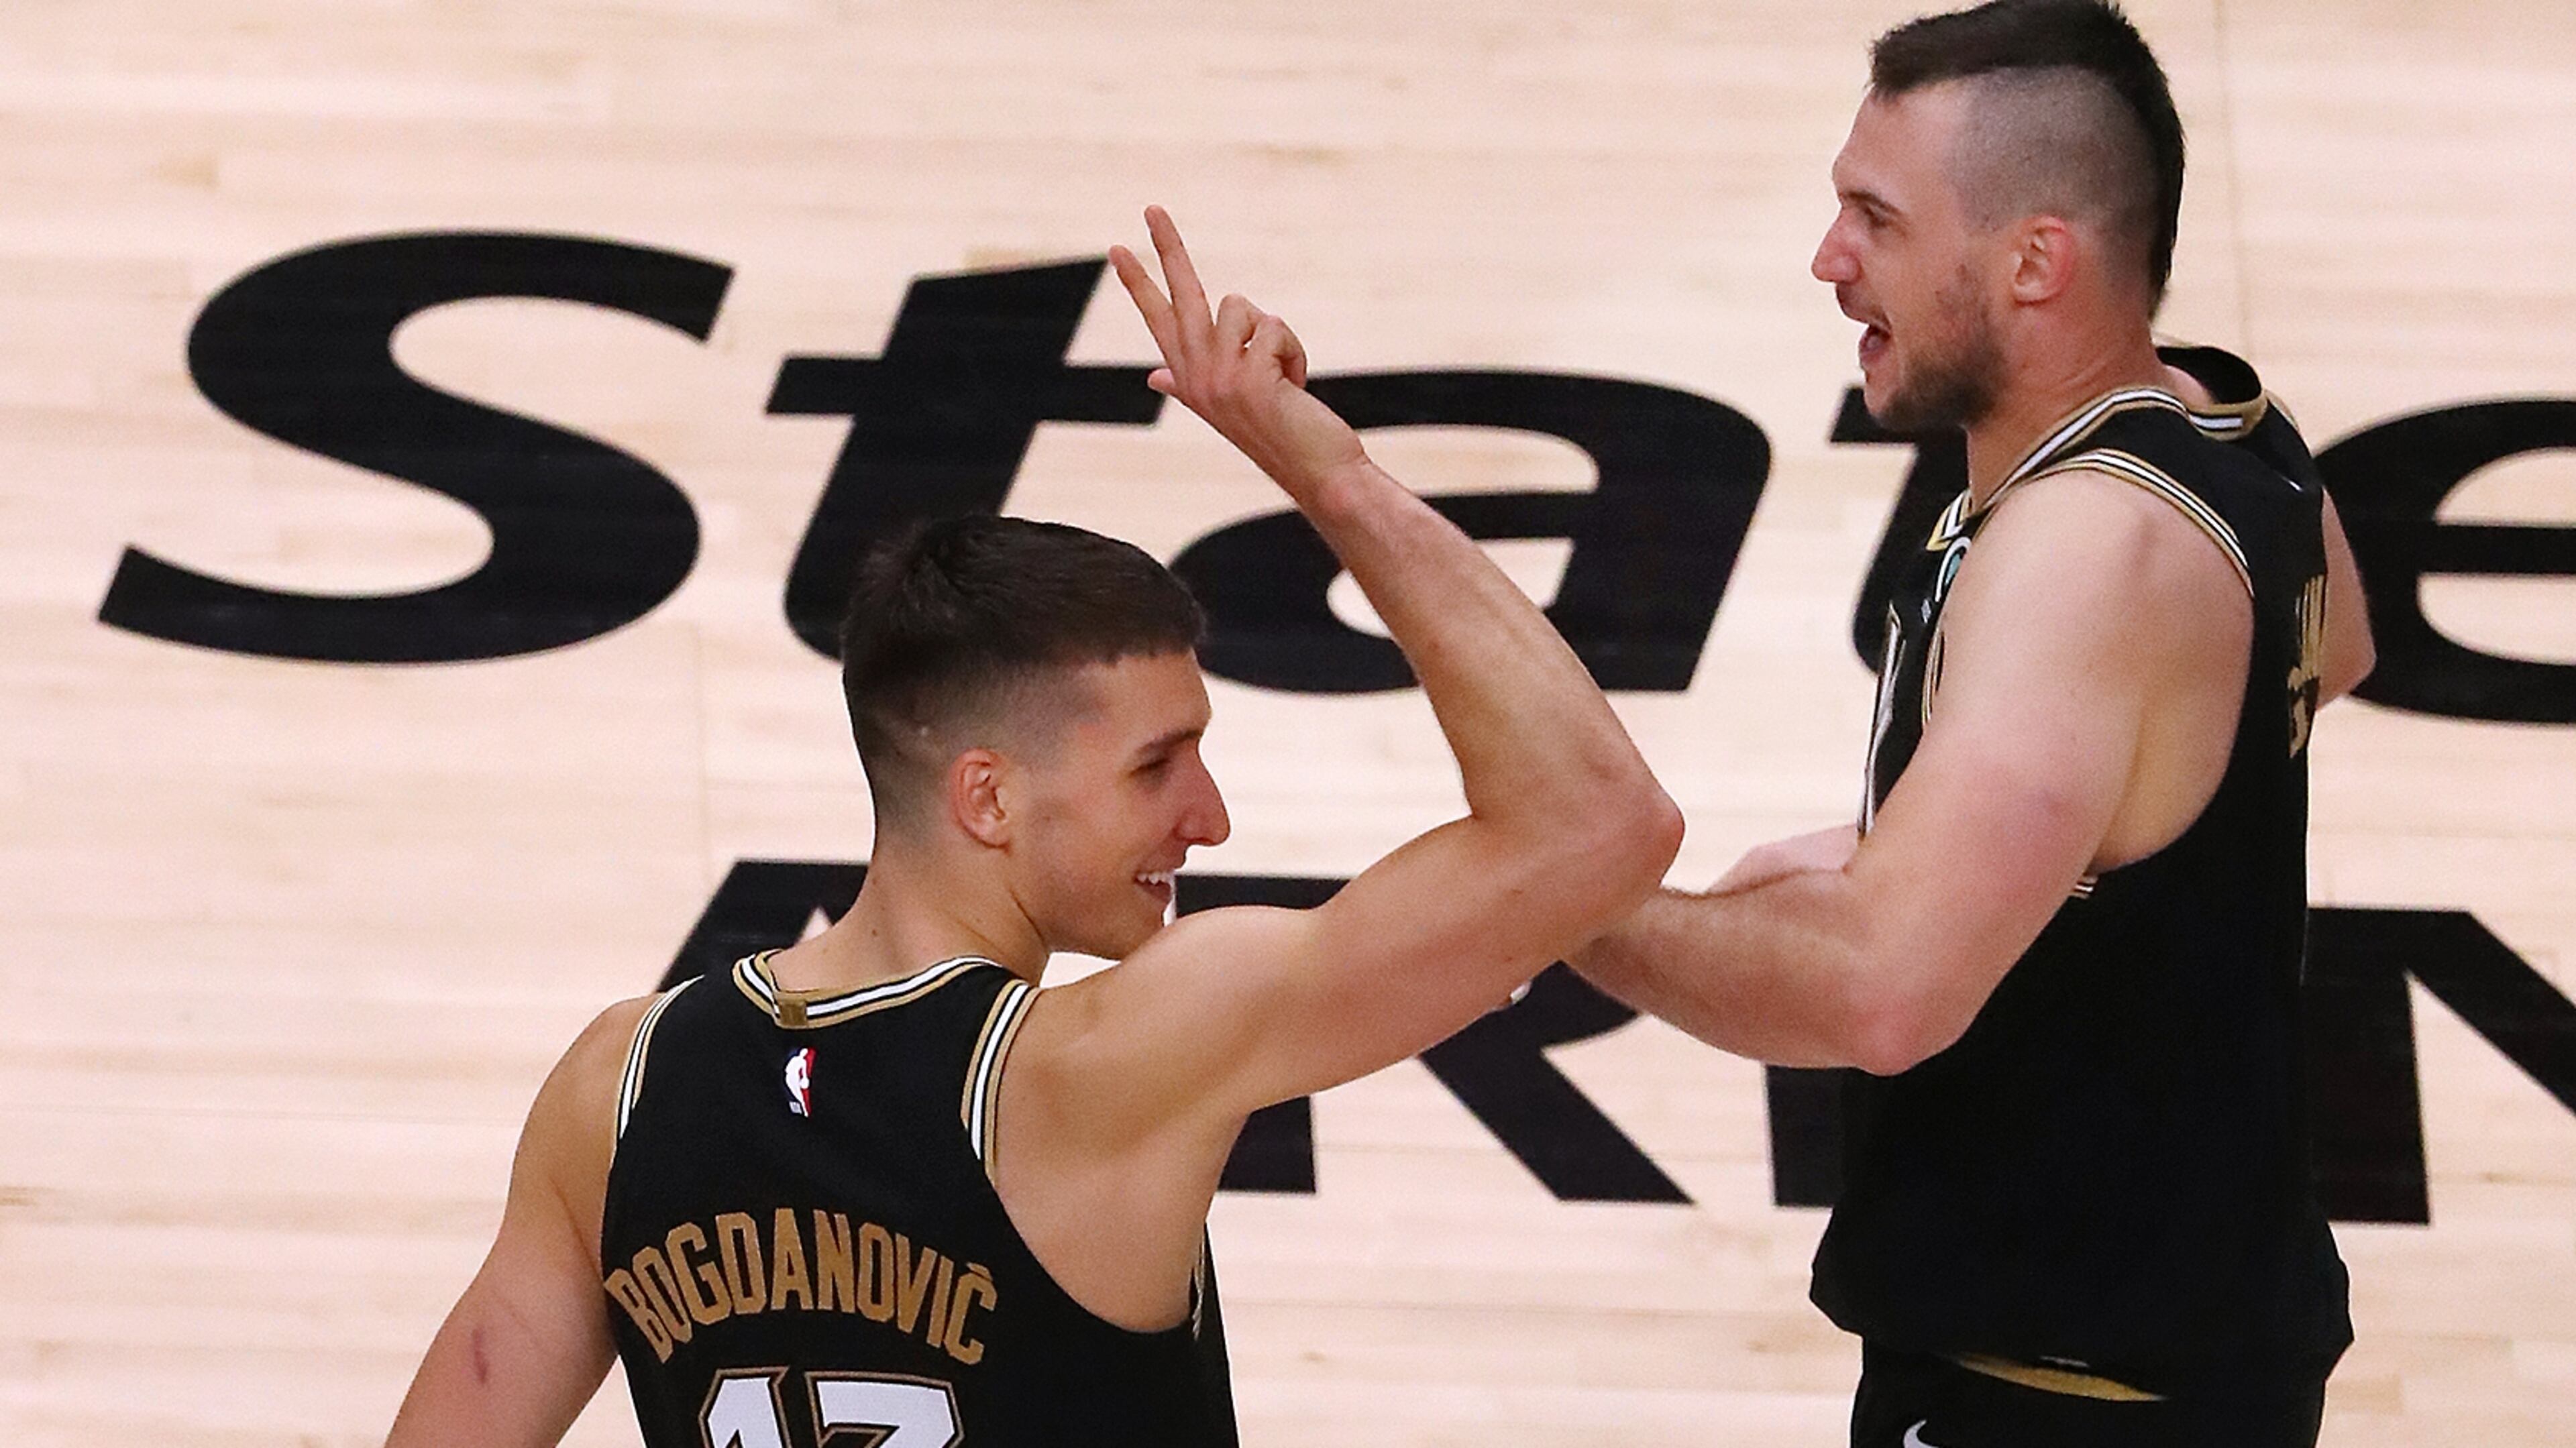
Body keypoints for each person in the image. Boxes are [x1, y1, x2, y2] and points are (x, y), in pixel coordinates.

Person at [381, 207, 1682, 1447]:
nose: (1210, 818)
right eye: (1157, 766)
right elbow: (1599, 821)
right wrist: (1328, 474)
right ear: (989, 798)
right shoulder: (1105, 1066)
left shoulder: (618, 1088)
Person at [1568, 3, 2375, 1445]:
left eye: (1876, 219)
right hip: (2205, 1336)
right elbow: (2336, 651)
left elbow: (1878, 995)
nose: (1831, 260)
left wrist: (1557, 908)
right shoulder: (2220, 422)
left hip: (2064, 1392)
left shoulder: (2084, 554)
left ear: (2035, 261)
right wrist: (1980, 841)